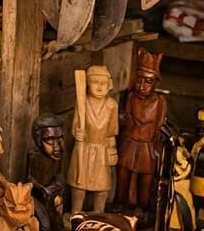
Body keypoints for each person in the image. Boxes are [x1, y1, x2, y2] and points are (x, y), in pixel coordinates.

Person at [116, 48, 167, 212]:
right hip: (129, 143)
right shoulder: (131, 98)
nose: (142, 86)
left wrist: (155, 147)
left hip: (146, 146)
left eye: (148, 81)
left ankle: (142, 207)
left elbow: (159, 126)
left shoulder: (159, 102)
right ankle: (120, 201)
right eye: (139, 80)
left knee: (146, 179)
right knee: (123, 174)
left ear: (156, 83)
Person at [67, 66, 119, 214]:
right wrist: (77, 133)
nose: (100, 86)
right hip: (83, 148)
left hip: (101, 151)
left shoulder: (111, 106)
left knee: (102, 189)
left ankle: (98, 217)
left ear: (109, 85)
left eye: (103, 82)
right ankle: (75, 215)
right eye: (95, 82)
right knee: (78, 187)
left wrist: (112, 150)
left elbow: (111, 132)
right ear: (88, 84)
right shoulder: (82, 102)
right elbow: (75, 126)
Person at [27, 113, 66, 231]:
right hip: (38, 198)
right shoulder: (34, 157)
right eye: (50, 140)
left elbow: (59, 174)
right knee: (45, 224)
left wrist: (57, 187)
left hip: (53, 197)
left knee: (58, 221)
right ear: (38, 141)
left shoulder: (57, 157)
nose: (57, 146)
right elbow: (29, 180)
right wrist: (44, 190)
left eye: (60, 138)